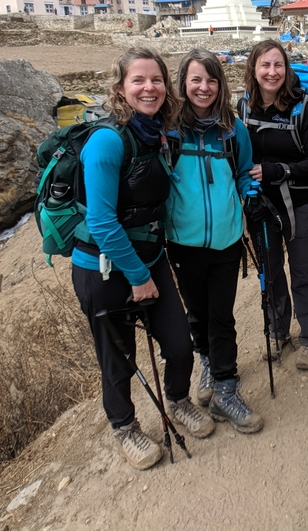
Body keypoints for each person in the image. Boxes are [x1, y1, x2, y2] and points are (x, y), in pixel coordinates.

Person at [72, 48, 214, 471]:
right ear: (120, 87)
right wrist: (137, 274)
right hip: (103, 268)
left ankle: (178, 400)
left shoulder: (157, 134)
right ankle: (126, 428)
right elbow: (99, 220)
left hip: (149, 259)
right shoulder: (106, 141)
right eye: (138, 80)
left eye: (156, 80)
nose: (149, 88)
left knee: (178, 344)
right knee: (117, 359)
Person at [166, 49, 263, 433]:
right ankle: (206, 361)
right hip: (182, 243)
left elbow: (242, 172)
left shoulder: (232, 128)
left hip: (226, 240)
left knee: (221, 317)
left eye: (211, 80)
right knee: (197, 314)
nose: (203, 88)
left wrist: (250, 193)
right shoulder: (169, 130)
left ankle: (225, 388)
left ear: (221, 86)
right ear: (183, 83)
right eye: (196, 80)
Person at [241, 40, 308, 370]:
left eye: (278, 65)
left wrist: (277, 170)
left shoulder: (301, 107)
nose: (272, 72)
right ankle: (278, 331)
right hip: (260, 208)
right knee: (271, 272)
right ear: (254, 69)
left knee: (303, 271)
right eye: (265, 65)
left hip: (298, 205)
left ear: (286, 70)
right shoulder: (243, 107)